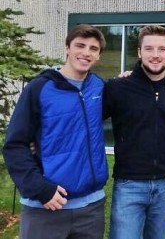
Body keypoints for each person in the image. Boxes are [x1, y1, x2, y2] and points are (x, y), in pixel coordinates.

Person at [3, 24, 108, 239]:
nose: (86, 53)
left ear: (98, 55)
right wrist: (39, 189)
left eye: (93, 48)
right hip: (47, 207)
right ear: (67, 48)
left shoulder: (99, 87)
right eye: (80, 45)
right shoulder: (39, 88)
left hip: (91, 208)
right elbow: (15, 145)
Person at [104, 25, 165, 239]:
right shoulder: (117, 87)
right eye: (149, 49)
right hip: (128, 183)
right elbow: (86, 123)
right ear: (139, 52)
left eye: (161, 49)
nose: (155, 55)